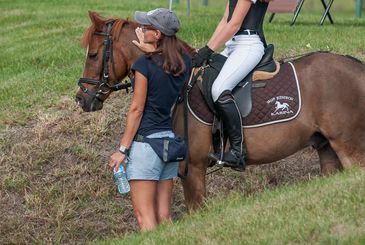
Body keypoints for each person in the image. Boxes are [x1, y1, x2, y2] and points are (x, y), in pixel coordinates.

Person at [108, 8, 192, 231]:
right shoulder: (183, 63)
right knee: (165, 215)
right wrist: (151, 51)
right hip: (168, 144)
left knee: (145, 218)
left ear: (157, 35)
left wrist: (122, 150)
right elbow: (167, 64)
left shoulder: (144, 65)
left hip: (146, 147)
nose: (140, 30)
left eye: (146, 28)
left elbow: (136, 109)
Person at [193, 0, 271, 171]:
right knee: (206, 78)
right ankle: (218, 141)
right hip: (232, 45)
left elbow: (235, 24)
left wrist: (209, 49)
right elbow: (225, 20)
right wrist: (206, 48)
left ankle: (238, 151)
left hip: (248, 46)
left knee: (219, 89)